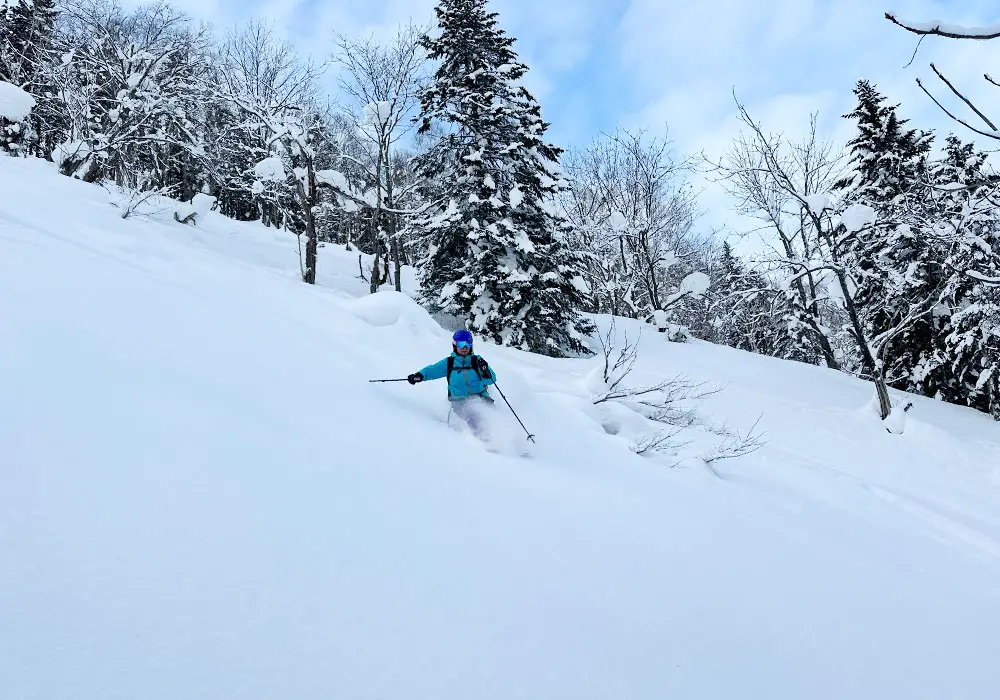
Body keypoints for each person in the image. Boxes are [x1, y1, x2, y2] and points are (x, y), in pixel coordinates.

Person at [408, 329, 497, 438]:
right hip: (459, 402)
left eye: (467, 344)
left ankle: (507, 440)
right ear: (455, 345)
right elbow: (433, 370)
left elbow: (491, 380)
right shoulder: (449, 363)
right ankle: (484, 441)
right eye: (461, 344)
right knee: (474, 417)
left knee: (494, 415)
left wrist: (485, 370)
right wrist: (419, 376)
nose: (464, 347)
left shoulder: (476, 361)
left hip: (480, 397)